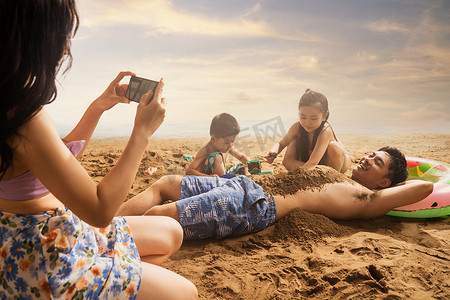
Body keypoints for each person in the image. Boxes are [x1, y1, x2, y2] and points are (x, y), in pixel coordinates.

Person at [0, 1, 197, 299]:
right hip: (46, 257)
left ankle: (114, 279)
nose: (65, 50)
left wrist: (97, 108)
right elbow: (100, 209)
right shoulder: (25, 116)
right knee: (185, 293)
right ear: (30, 37)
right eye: (59, 36)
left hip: (54, 232)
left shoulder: (10, 99)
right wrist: (142, 132)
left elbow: (50, 162)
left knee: (172, 232)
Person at [116, 147, 433, 240]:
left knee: (159, 217)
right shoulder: (342, 174)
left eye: (376, 162)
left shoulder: (367, 199)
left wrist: (406, 179)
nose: (366, 159)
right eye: (371, 154)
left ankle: (104, 239)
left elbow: (427, 187)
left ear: (384, 183)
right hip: (242, 185)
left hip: (252, 205)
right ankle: (102, 220)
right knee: (166, 183)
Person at [264, 89, 351, 173]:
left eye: (314, 118)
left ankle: (330, 177)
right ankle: (319, 172)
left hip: (335, 162)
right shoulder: (297, 127)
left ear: (325, 116)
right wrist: (273, 152)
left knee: (334, 147)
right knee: (294, 141)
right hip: (315, 164)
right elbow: (281, 144)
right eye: (303, 117)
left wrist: (300, 171)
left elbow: (312, 163)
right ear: (299, 114)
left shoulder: (325, 131)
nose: (307, 122)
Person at [186, 113, 252, 177]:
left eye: (233, 141)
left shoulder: (228, 146)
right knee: (217, 157)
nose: (231, 145)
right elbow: (189, 171)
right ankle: (226, 179)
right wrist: (207, 176)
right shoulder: (205, 150)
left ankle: (248, 176)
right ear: (213, 140)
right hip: (209, 178)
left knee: (244, 165)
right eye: (227, 142)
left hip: (223, 175)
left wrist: (252, 165)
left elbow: (241, 157)